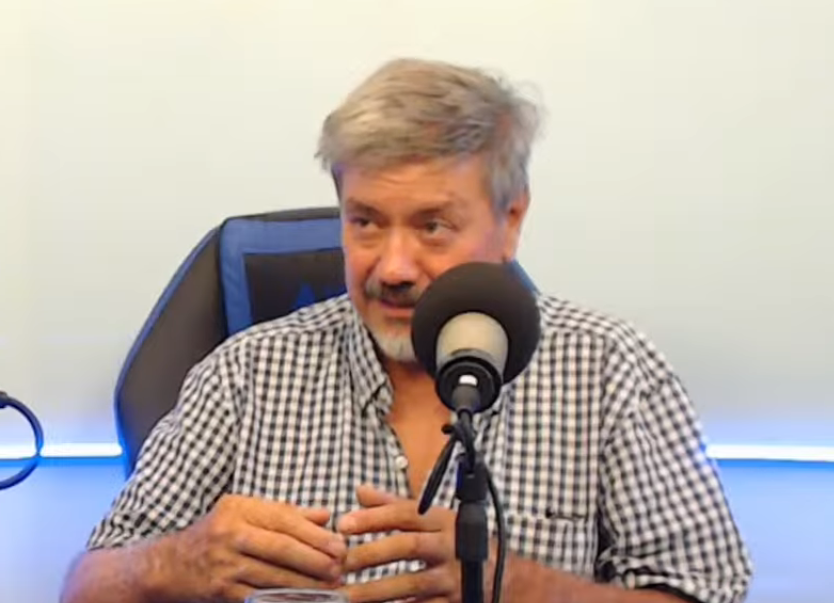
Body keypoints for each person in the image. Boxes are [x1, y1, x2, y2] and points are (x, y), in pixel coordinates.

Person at [61, 57, 752, 603]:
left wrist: (520, 585)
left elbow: (707, 591)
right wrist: (178, 561)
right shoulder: (244, 373)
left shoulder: (610, 368)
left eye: (432, 226)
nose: (392, 267)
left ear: (511, 219)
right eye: (365, 221)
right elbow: (85, 586)